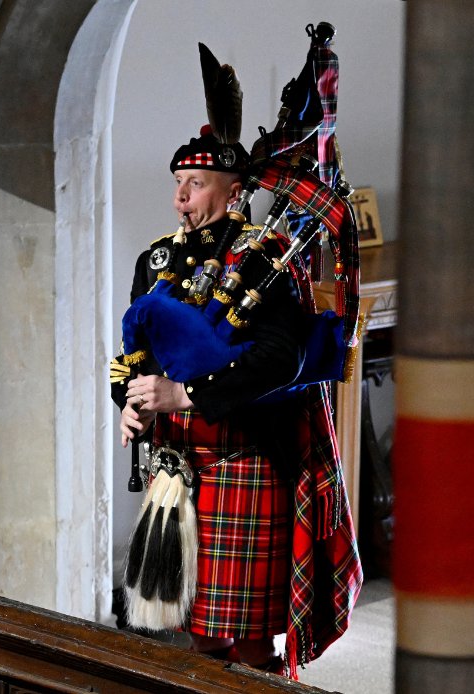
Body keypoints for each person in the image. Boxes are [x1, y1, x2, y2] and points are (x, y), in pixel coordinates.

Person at [113, 126, 360, 676]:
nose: (180, 197)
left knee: (251, 643)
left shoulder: (268, 262)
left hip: (240, 465)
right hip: (176, 474)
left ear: (233, 194)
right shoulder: (155, 260)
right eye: (179, 182)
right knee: (198, 634)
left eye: (196, 184)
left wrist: (184, 394)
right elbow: (132, 352)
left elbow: (281, 360)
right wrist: (127, 402)